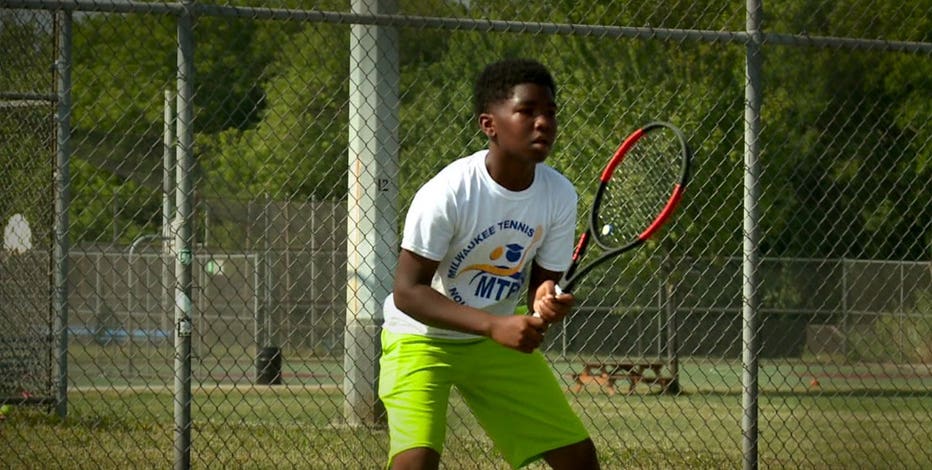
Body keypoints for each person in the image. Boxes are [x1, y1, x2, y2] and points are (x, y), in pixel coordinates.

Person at [378, 58, 600, 470]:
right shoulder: (448, 192)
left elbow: (543, 283)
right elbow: (407, 292)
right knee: (416, 462)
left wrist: (546, 302)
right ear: (489, 124)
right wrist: (494, 324)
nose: (543, 123)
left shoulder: (559, 194)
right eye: (527, 111)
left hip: (493, 342)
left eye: (550, 113)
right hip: (421, 339)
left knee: (578, 459)